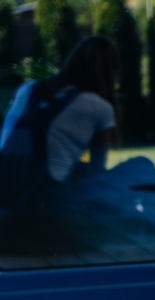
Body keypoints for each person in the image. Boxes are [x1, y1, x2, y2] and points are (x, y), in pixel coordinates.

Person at [0, 36, 118, 211]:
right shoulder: (98, 107)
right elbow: (97, 173)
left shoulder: (28, 89)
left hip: (5, 191)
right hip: (44, 204)